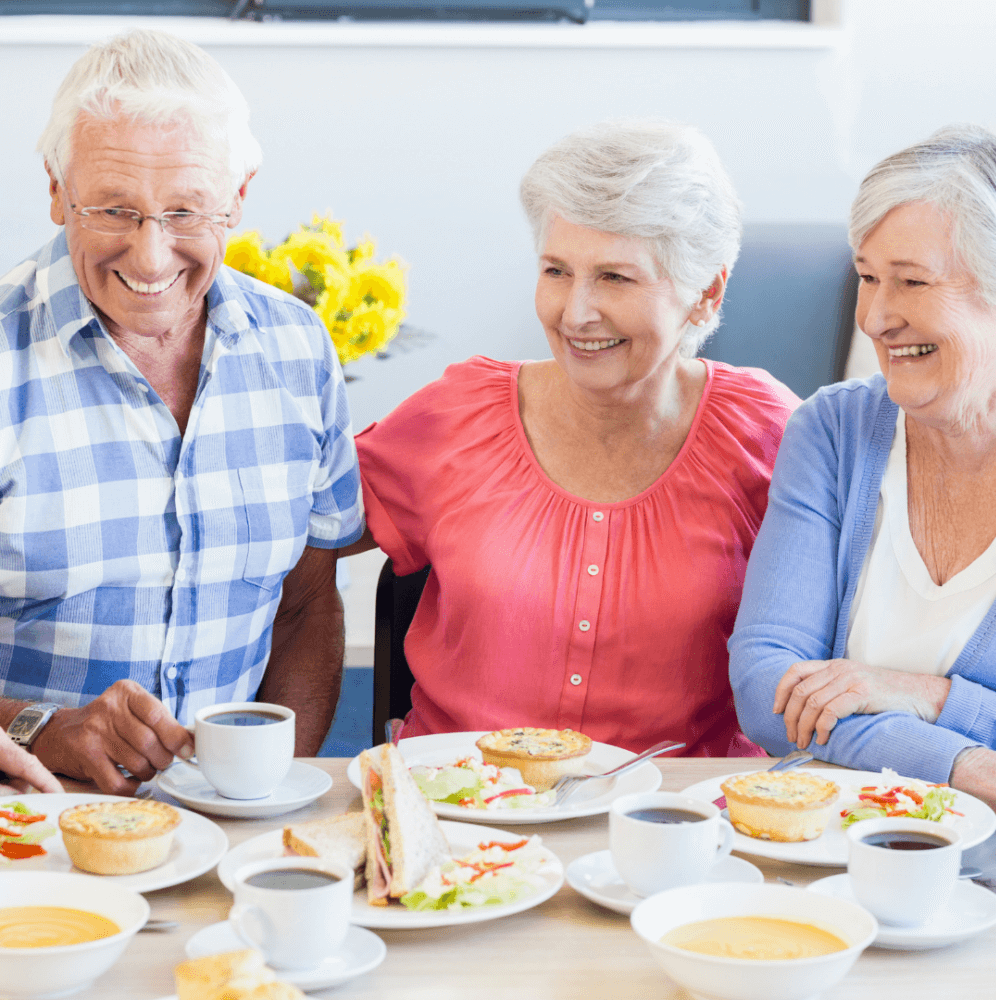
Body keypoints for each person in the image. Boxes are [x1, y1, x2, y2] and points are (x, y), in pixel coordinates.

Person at [341, 120, 797, 756]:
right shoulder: (457, 416)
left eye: (615, 277)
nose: (576, 312)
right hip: (461, 810)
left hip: (674, 825)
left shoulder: (769, 433)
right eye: (557, 270)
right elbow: (292, 536)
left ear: (707, 292)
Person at [0, 30, 364, 795]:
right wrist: (38, 726)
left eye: (185, 211)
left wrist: (269, 797)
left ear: (237, 195)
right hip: (28, 835)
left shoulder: (298, 349)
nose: (151, 257)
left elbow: (305, 606)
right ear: (57, 189)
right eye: (114, 209)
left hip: (224, 832)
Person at [730, 123, 996, 812]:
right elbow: (767, 688)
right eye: (868, 277)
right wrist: (962, 761)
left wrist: (929, 696)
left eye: (910, 282)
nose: (876, 318)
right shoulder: (835, 429)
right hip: (824, 856)